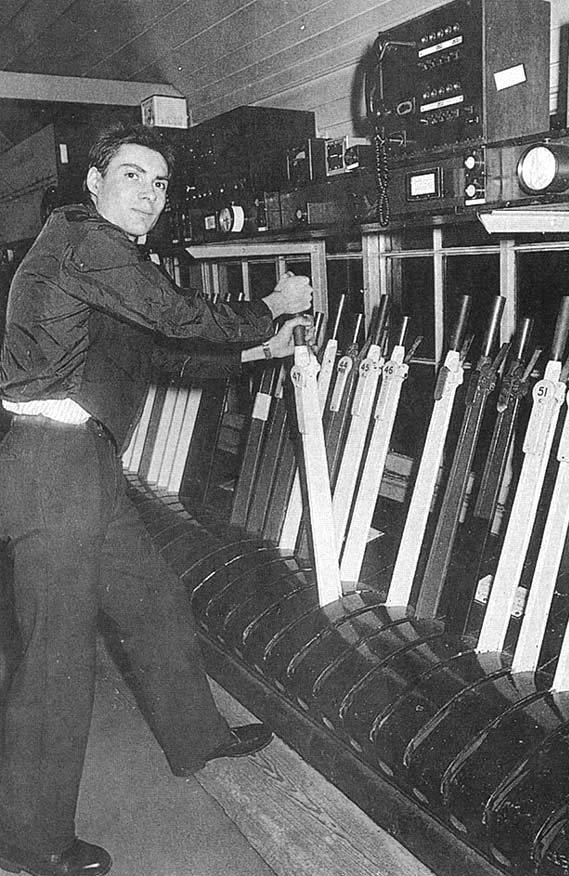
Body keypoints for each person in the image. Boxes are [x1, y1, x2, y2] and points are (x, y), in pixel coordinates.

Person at [0, 121, 315, 876]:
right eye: (134, 175)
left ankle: (195, 737)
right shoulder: (83, 243)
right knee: (55, 659)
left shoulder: (100, 260)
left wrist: (256, 348)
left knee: (154, 601)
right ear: (95, 182)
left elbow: (161, 349)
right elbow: (179, 314)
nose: (149, 194)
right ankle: (26, 839)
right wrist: (269, 304)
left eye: (160, 183)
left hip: (86, 465)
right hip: (50, 470)